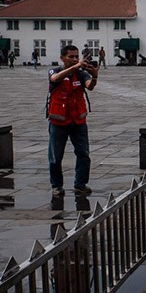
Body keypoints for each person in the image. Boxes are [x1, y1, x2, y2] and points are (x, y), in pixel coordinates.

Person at [47, 45, 99, 196]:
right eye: (71, 57)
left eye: (76, 56)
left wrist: (94, 76)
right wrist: (76, 67)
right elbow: (54, 79)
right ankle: (57, 185)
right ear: (62, 58)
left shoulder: (81, 74)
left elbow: (90, 87)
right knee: (56, 156)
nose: (75, 59)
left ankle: (80, 184)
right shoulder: (55, 71)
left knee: (83, 154)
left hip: (78, 121)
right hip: (59, 122)